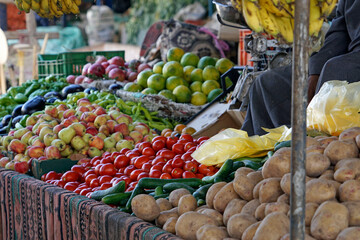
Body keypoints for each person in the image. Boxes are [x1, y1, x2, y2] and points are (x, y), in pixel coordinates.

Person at [241, 0, 360, 136]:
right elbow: (339, 32)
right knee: (268, 83)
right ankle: (268, 151)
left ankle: (315, 145)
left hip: (349, 64)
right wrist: (314, 71)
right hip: (348, 59)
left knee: (334, 70)